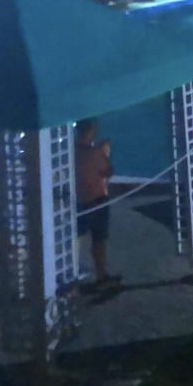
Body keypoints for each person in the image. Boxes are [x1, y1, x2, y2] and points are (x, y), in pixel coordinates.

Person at [75, 119, 120, 290]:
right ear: (90, 131)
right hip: (97, 200)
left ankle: (71, 273)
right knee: (99, 239)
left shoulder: (73, 152)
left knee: (77, 236)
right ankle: (101, 275)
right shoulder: (94, 153)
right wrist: (105, 154)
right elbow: (108, 172)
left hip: (79, 200)